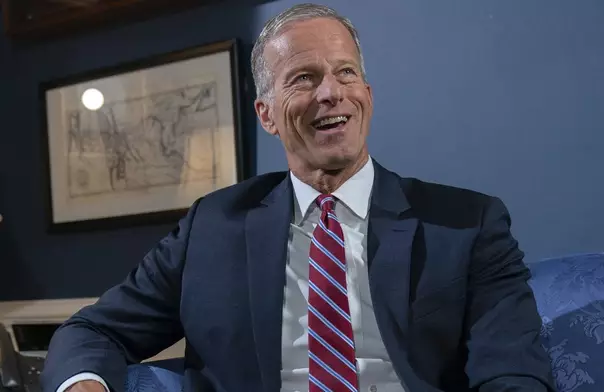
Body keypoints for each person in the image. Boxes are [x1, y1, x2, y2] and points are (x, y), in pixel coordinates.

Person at [41, 3, 555, 392]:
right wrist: (83, 384)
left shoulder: (466, 223)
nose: (330, 92)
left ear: (367, 97)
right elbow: (91, 331)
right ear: (267, 115)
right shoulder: (213, 226)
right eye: (304, 78)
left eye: (345, 72)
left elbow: (513, 374)